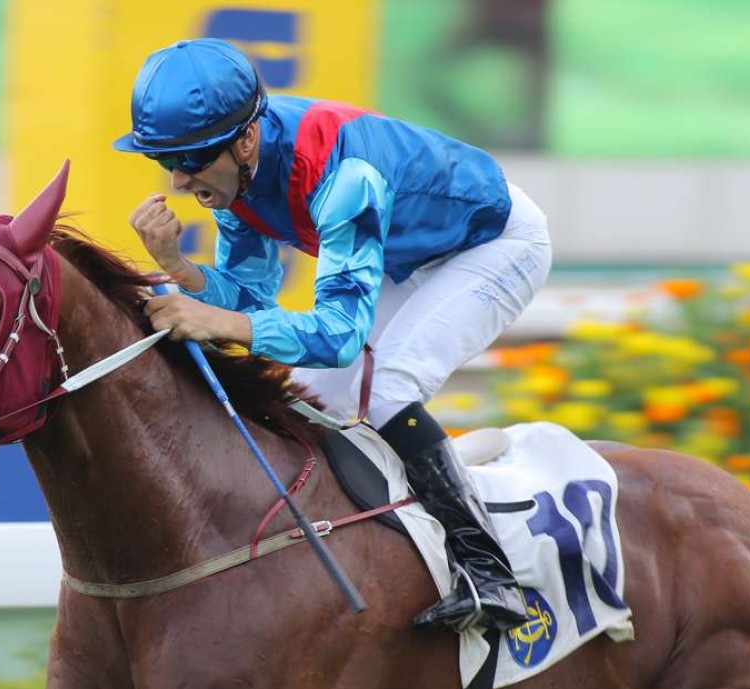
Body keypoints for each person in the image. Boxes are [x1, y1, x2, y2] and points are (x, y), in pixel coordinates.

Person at [113, 38, 551, 632]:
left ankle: (490, 572)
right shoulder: (235, 171)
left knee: (388, 385)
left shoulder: (345, 176)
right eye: (164, 161)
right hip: (410, 258)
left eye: (189, 160)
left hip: (495, 244)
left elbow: (340, 336)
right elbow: (253, 297)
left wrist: (216, 321)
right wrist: (179, 269)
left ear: (244, 141)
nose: (179, 180)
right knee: (307, 395)